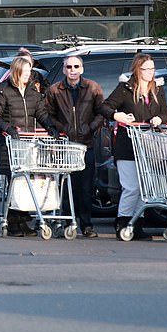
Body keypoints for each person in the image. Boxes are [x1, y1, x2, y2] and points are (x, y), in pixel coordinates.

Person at [97, 53, 167, 240]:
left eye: (152, 69)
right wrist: (116, 116)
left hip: (149, 145)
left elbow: (166, 113)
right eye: (146, 69)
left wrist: (159, 118)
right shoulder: (125, 89)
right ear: (137, 70)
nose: (150, 73)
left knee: (144, 187)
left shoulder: (157, 89)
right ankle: (123, 222)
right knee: (131, 187)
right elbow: (105, 107)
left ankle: (137, 224)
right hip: (127, 145)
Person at [0, 56, 59, 236]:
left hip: (28, 143)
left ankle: (22, 220)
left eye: (30, 72)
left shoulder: (32, 92)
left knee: (26, 182)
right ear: (17, 71)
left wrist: (50, 126)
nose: (29, 75)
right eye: (26, 72)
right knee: (15, 182)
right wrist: (7, 128)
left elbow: (41, 112)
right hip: (9, 144)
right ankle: (12, 222)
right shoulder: (3, 90)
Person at [46, 55, 105, 238]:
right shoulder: (55, 90)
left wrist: (91, 128)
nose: (72, 70)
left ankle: (86, 225)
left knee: (86, 188)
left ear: (82, 69)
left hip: (86, 145)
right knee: (66, 188)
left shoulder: (93, 88)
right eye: (69, 67)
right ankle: (65, 223)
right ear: (64, 70)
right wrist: (60, 129)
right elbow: (48, 115)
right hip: (65, 145)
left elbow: (101, 112)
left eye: (76, 66)